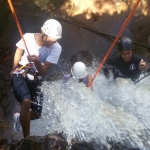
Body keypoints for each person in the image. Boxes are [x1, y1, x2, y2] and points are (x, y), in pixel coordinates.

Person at [10, 19, 62, 138]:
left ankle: (19, 118)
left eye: (55, 41)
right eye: (50, 40)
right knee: (26, 102)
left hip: (36, 77)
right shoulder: (28, 37)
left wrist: (37, 61)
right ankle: (26, 139)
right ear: (43, 33)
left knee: (37, 114)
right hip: (21, 72)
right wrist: (13, 68)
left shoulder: (56, 48)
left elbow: (43, 72)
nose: (52, 44)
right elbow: (19, 50)